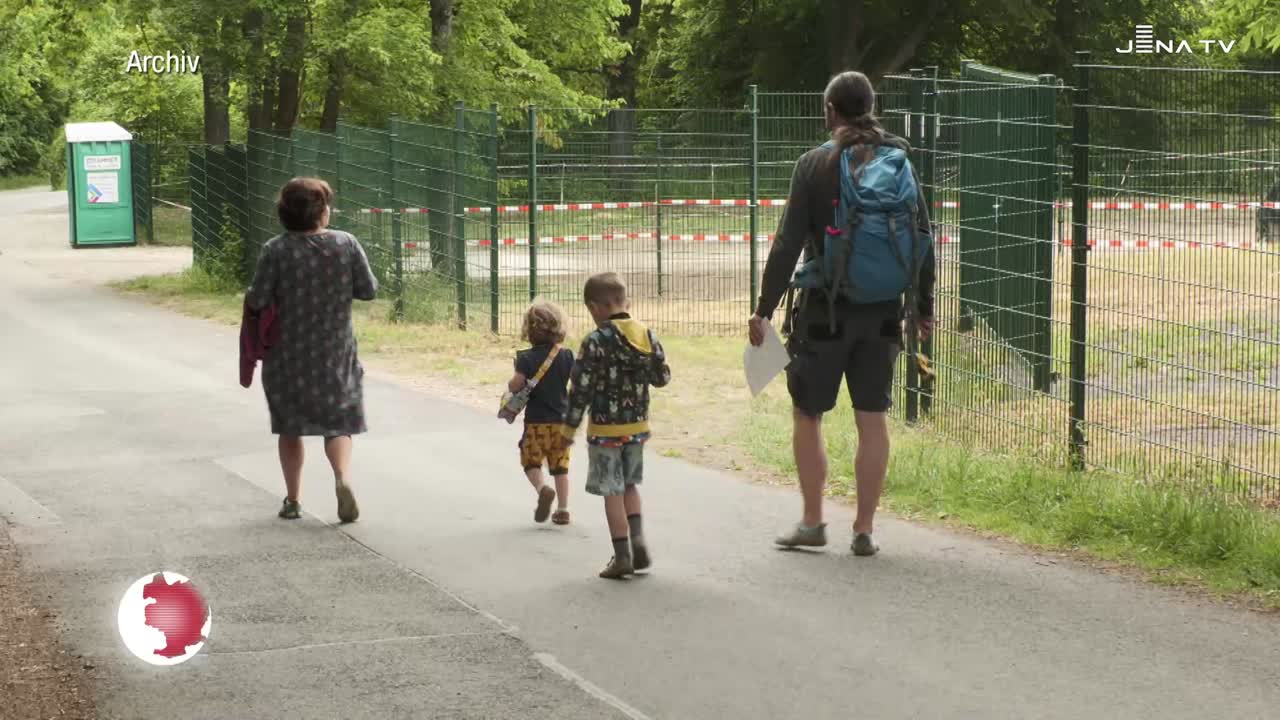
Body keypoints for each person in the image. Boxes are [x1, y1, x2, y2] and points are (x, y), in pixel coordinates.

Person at [748, 71, 936, 556]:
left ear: (829, 110)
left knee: (807, 413)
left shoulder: (815, 165)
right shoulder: (900, 162)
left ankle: (813, 521)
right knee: (871, 419)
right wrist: (924, 306)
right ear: (871, 106)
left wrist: (763, 310)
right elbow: (923, 236)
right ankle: (864, 528)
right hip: (883, 313)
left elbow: (788, 243)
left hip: (824, 314)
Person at [245, 177, 378, 522]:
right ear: (320, 212)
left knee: (290, 428)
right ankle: (342, 478)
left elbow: (258, 299)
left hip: (287, 357)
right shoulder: (345, 244)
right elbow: (368, 290)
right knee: (339, 423)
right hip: (335, 352)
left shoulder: (275, 250)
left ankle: (292, 500)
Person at [561, 273, 671, 579]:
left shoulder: (594, 341)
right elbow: (662, 378)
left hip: (605, 432)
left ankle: (622, 554)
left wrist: (569, 430)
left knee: (612, 491)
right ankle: (638, 542)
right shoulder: (646, 335)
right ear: (627, 303)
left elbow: (580, 389)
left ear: (596, 308)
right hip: (637, 428)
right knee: (630, 486)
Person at [508, 300, 575, 525]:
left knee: (531, 461)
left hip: (536, 422)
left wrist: (513, 384)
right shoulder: (566, 356)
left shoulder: (526, 358)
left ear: (528, 329)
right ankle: (564, 509)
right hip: (561, 423)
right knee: (560, 467)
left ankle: (542, 488)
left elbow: (516, 385)